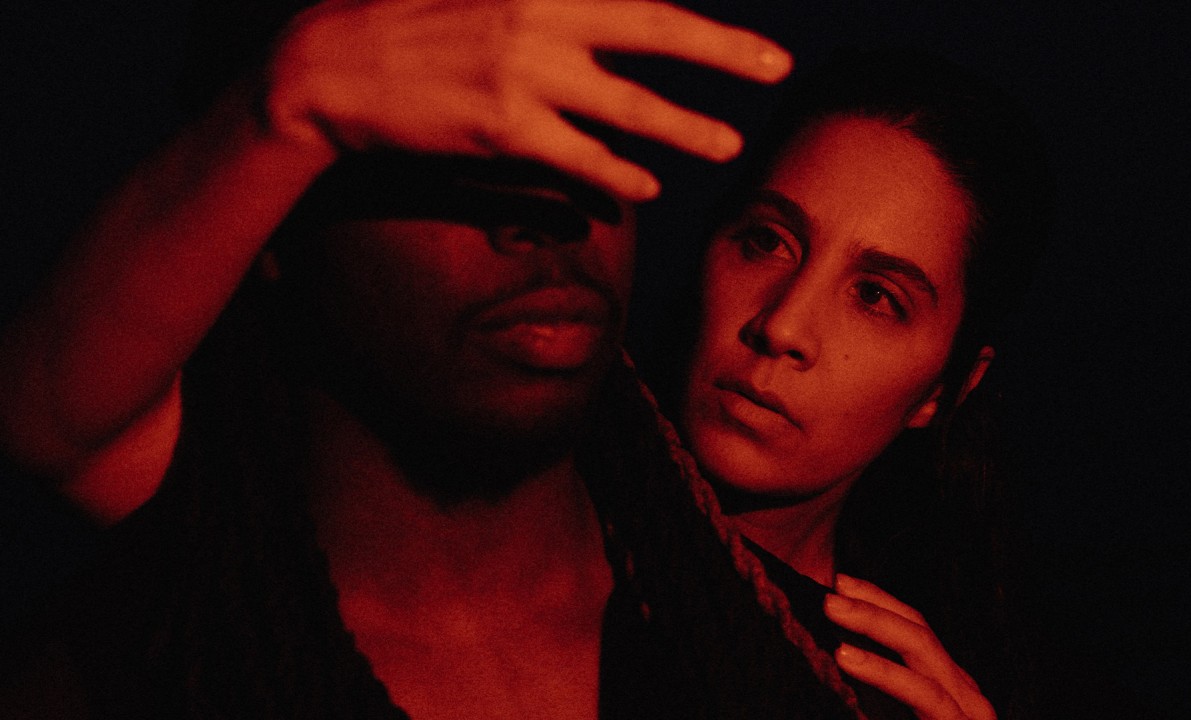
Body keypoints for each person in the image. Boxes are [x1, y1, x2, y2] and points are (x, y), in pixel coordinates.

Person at [0, 1, 864, 717]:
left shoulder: (799, 661)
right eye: (449, 147)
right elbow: (48, 415)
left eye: (582, 126)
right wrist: (286, 105)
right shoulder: (160, 649)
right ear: (272, 217)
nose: (545, 210)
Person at [668, 48, 1054, 720]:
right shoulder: (504, 517)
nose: (782, 325)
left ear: (946, 389)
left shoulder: (894, 695)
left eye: (875, 297)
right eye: (767, 241)